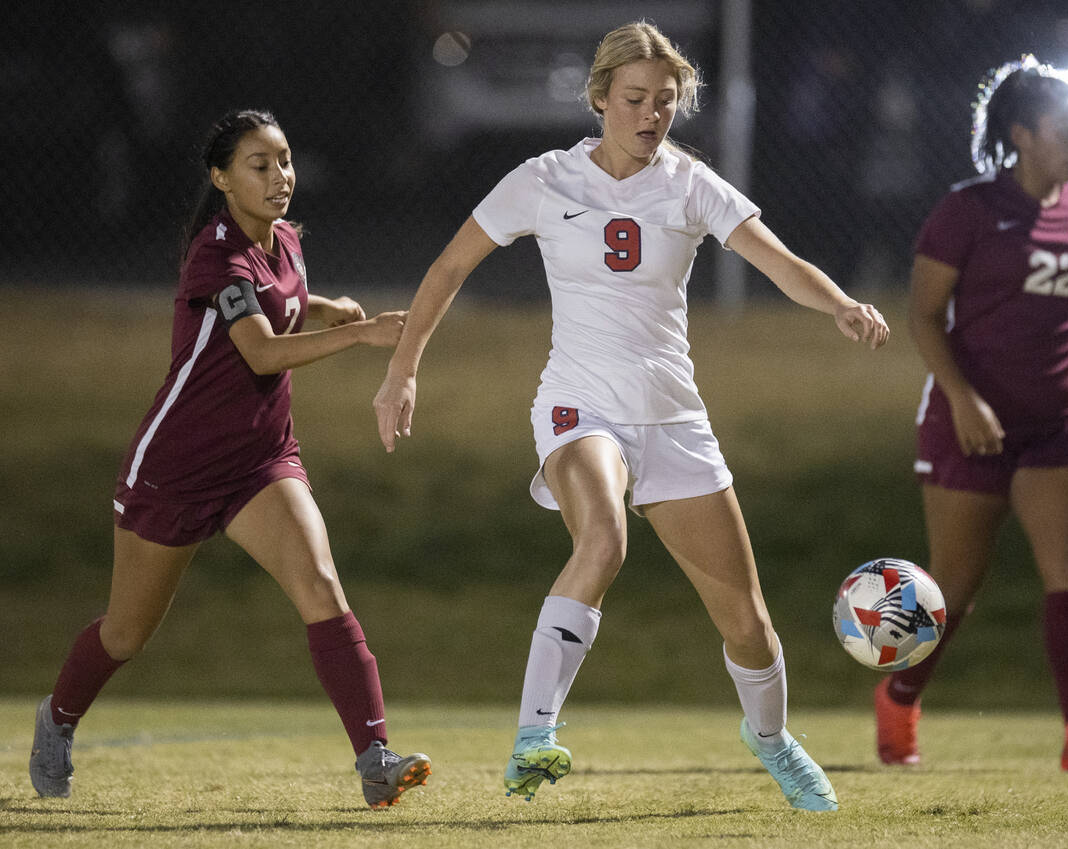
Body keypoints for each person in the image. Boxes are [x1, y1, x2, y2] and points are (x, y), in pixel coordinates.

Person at [373, 22, 889, 811]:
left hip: (674, 418)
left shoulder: (689, 184)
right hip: (580, 405)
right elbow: (447, 268)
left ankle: (774, 742)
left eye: (666, 102)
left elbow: (780, 261)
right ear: (600, 98)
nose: (651, 115)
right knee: (602, 537)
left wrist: (841, 303)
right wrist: (402, 369)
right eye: (636, 99)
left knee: (748, 623)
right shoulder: (544, 179)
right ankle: (533, 740)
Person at [29, 109, 431, 809]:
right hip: (177, 467)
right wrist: (363, 334)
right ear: (221, 179)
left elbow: (280, 307)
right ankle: (58, 718)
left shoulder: (283, 240)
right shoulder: (214, 256)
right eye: (260, 164)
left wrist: (327, 306)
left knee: (322, 588)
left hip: (261, 462)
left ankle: (375, 758)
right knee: (126, 632)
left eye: (285, 159)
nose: (281, 177)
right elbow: (262, 349)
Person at [874, 57, 1068, 772]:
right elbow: (925, 316)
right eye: (1066, 129)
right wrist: (964, 400)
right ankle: (901, 694)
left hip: (1065, 423)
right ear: (1022, 134)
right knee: (956, 586)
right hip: (971, 422)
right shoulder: (967, 210)